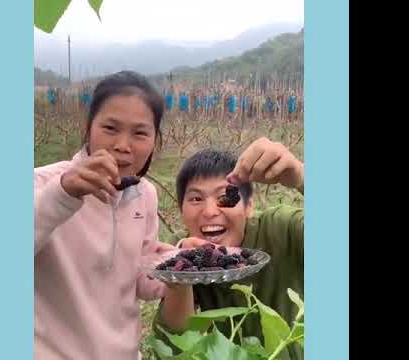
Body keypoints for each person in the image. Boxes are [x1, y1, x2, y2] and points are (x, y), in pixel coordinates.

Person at [34, 71, 174, 360]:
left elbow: (140, 279)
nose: (123, 145)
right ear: (89, 127)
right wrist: (63, 194)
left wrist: (181, 263)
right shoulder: (43, 184)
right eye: (110, 128)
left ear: (154, 140)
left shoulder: (144, 194)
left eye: (140, 133)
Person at [153, 138, 304, 360]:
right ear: (180, 209)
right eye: (196, 198)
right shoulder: (183, 253)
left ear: (249, 205)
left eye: (225, 197)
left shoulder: (282, 229)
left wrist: (302, 176)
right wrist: (180, 280)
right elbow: (172, 347)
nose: (210, 211)